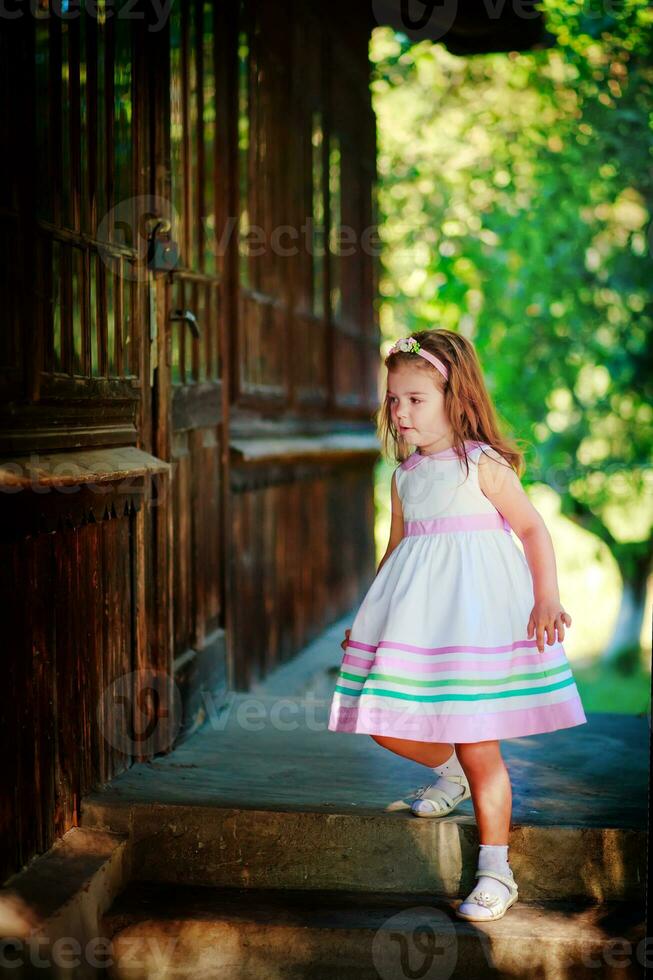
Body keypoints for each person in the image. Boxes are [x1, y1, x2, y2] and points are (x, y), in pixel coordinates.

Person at [327, 328, 588, 922]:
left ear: (455, 397)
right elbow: (395, 550)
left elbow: (532, 530)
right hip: (420, 623)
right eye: (393, 399)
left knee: (480, 747)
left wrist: (546, 597)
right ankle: (449, 770)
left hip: (474, 624)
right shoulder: (405, 478)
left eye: (415, 399)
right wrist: (368, 618)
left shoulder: (482, 466)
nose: (400, 412)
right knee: (381, 720)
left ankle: (497, 869)